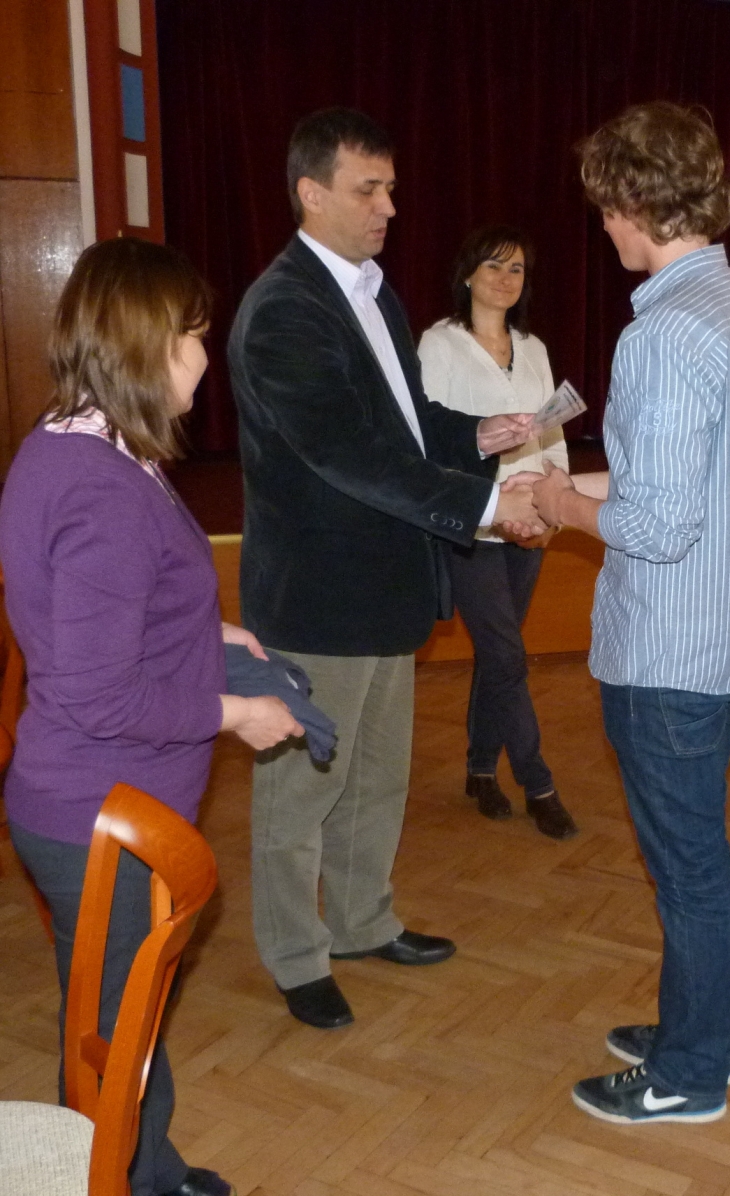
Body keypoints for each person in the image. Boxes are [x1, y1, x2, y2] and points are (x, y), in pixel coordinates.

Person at [228, 107, 546, 1031]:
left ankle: (363, 922)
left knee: (374, 775)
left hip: (386, 584)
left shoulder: (374, 292)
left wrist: (473, 435)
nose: (390, 207)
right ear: (311, 193)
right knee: (301, 790)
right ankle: (297, 957)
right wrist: (483, 505)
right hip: (319, 599)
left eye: (392, 188)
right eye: (369, 189)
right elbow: (347, 453)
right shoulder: (285, 310)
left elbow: (403, 426)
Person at [0, 237, 304, 1196]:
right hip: (102, 811)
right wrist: (235, 712)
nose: (206, 358)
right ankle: (121, 1177)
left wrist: (207, 627)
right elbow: (98, 691)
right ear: (145, 344)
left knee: (115, 1020)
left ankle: (141, 1167)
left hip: (87, 801)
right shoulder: (102, 490)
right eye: (192, 336)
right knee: (114, 1027)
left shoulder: (68, 442)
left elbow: (91, 617)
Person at [519, 101, 730, 1124]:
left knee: (687, 870)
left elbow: (659, 524)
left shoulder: (664, 335)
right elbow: (695, 482)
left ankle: (690, 1071)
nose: (602, 225)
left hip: (670, 656)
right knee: (694, 859)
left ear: (636, 201)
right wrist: (575, 481)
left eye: (605, 207)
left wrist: (560, 505)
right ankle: (701, 1027)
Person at [418, 225, 577, 837]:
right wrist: (491, 508)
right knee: (508, 656)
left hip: (530, 522)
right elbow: (432, 444)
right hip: (475, 527)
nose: (506, 279)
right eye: (493, 266)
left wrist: (553, 508)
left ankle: (481, 769)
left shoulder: (533, 347)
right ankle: (539, 783)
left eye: (516, 269)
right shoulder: (440, 343)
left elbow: (551, 434)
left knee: (496, 657)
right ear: (467, 274)